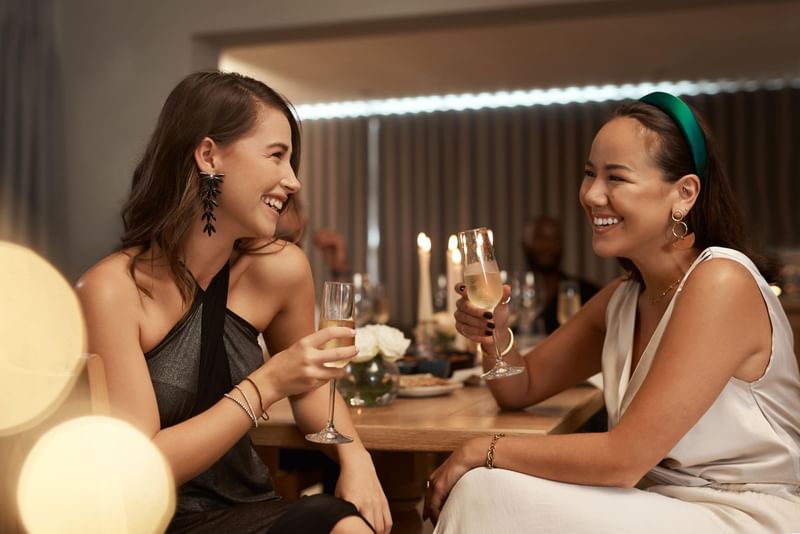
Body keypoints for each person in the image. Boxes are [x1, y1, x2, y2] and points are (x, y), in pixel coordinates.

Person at [425, 92, 800, 533]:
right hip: (654, 502)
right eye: (589, 174)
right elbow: (520, 387)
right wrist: (494, 339)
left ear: (684, 193)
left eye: (615, 178)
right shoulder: (625, 298)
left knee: (482, 491)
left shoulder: (722, 282)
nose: (591, 195)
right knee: (483, 490)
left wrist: (480, 449)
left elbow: (625, 458)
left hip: (740, 515)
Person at [76, 71, 391, 534]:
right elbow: (141, 470)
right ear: (209, 156)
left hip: (251, 509)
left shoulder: (279, 270)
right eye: (276, 157)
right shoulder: (113, 290)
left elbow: (311, 386)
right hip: (149, 522)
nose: (293, 181)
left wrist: (354, 455)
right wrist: (265, 383)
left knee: (346, 527)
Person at [521, 215, 599, 334]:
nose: (547, 246)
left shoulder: (587, 293)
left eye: (554, 238)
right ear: (525, 243)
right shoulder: (512, 294)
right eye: (540, 238)